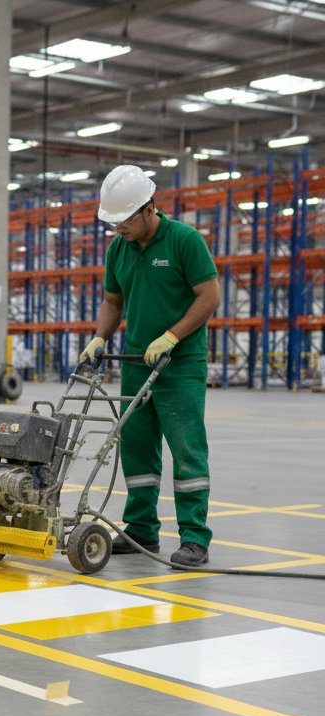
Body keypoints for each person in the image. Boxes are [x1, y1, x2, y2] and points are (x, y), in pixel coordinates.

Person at [81, 164, 221, 569]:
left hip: (179, 363)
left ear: (148, 208)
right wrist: (100, 338)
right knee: (138, 449)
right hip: (136, 361)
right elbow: (113, 301)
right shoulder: (118, 249)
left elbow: (209, 297)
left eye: (124, 221)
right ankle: (141, 528)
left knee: (187, 450)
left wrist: (173, 336)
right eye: (113, 223)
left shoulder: (184, 241)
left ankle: (194, 538)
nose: (118, 229)